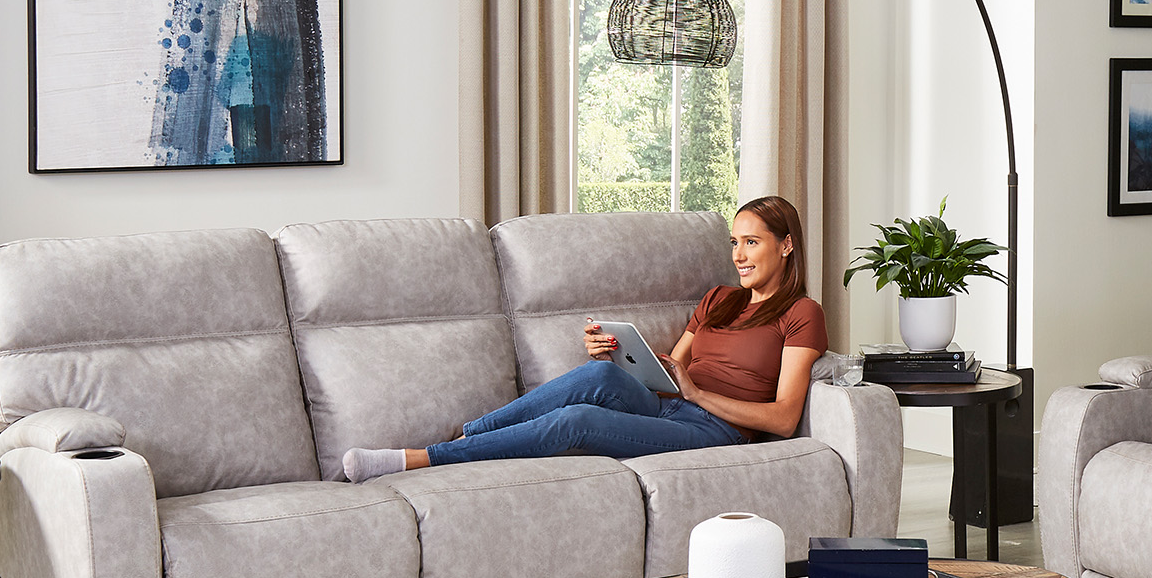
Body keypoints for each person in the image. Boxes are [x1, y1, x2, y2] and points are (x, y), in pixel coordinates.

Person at [337, 196, 827, 481]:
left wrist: (698, 393)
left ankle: (421, 459)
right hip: (671, 405)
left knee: (578, 420)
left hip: (716, 432)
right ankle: (471, 435)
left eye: (753, 242)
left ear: (786, 245)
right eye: (735, 242)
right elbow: (671, 368)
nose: (739, 255)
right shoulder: (719, 297)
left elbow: (784, 419)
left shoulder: (802, 314)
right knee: (598, 372)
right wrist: (624, 354)